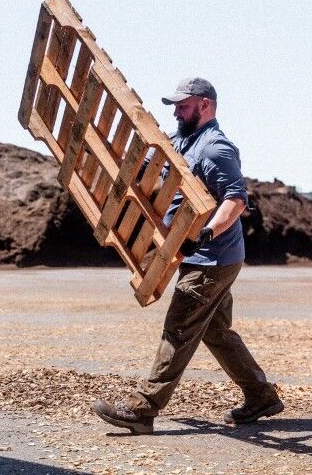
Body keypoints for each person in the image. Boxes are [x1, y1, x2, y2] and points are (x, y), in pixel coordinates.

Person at [92, 77, 283, 434]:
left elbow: (236, 199)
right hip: (195, 256)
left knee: (178, 328)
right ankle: (261, 397)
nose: (177, 111)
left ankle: (142, 409)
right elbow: (149, 162)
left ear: (205, 105)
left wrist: (206, 232)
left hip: (213, 257)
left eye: (183, 105)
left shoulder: (215, 148)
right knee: (216, 332)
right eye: (176, 106)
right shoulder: (182, 141)